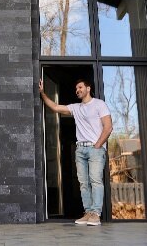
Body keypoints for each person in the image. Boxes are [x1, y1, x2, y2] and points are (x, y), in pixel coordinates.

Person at [39, 78, 112, 226]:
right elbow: (55, 107)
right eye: (76, 89)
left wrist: (98, 145)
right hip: (80, 150)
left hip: (95, 149)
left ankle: (96, 214)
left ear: (88, 88)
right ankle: (88, 212)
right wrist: (42, 93)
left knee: (95, 181)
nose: (77, 90)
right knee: (83, 183)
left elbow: (108, 127)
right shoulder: (76, 107)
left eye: (80, 87)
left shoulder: (99, 104)